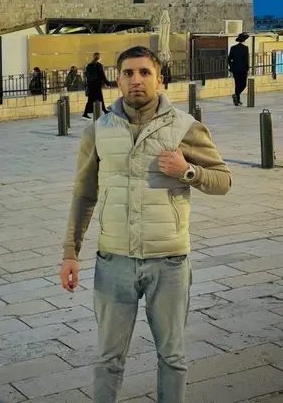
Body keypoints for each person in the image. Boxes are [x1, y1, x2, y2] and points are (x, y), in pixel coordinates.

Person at [60, 46, 231, 403]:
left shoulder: (185, 127)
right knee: (108, 359)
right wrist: (70, 253)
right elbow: (84, 195)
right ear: (117, 80)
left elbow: (223, 181)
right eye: (128, 73)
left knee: (172, 356)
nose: (136, 80)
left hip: (168, 262)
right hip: (114, 262)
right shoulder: (98, 131)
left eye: (144, 72)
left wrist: (188, 171)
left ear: (160, 79)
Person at [82, 52, 110, 119]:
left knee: (91, 99)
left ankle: (103, 110)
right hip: (97, 85)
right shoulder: (99, 65)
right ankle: (103, 110)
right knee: (99, 98)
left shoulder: (89, 65)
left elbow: (86, 75)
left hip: (90, 85)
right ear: (99, 58)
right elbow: (102, 75)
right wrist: (107, 83)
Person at [228, 32, 250, 106]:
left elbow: (229, 59)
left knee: (237, 85)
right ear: (244, 40)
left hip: (235, 70)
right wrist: (247, 69)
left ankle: (237, 100)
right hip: (243, 70)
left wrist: (231, 68)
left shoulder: (233, 48)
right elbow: (246, 60)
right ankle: (236, 95)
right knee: (243, 84)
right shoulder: (245, 48)